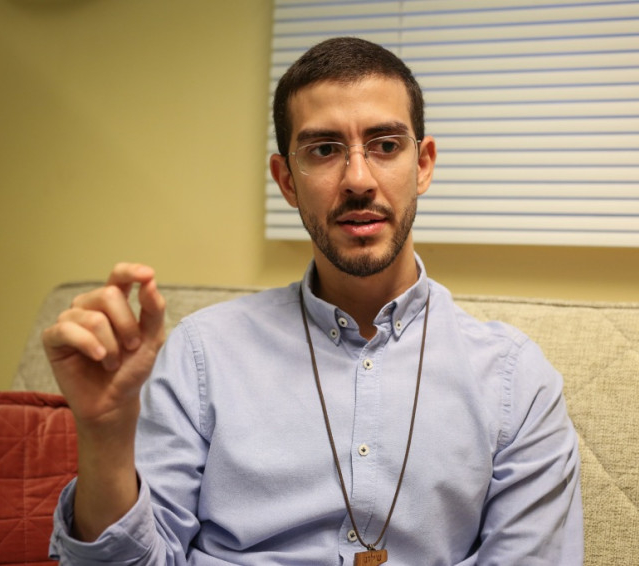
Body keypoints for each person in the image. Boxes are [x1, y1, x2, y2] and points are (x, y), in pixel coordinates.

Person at [44, 37, 583, 565]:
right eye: (324, 150)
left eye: (385, 145)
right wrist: (105, 437)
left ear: (423, 165)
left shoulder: (514, 381)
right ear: (286, 181)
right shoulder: (200, 355)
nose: (358, 180)